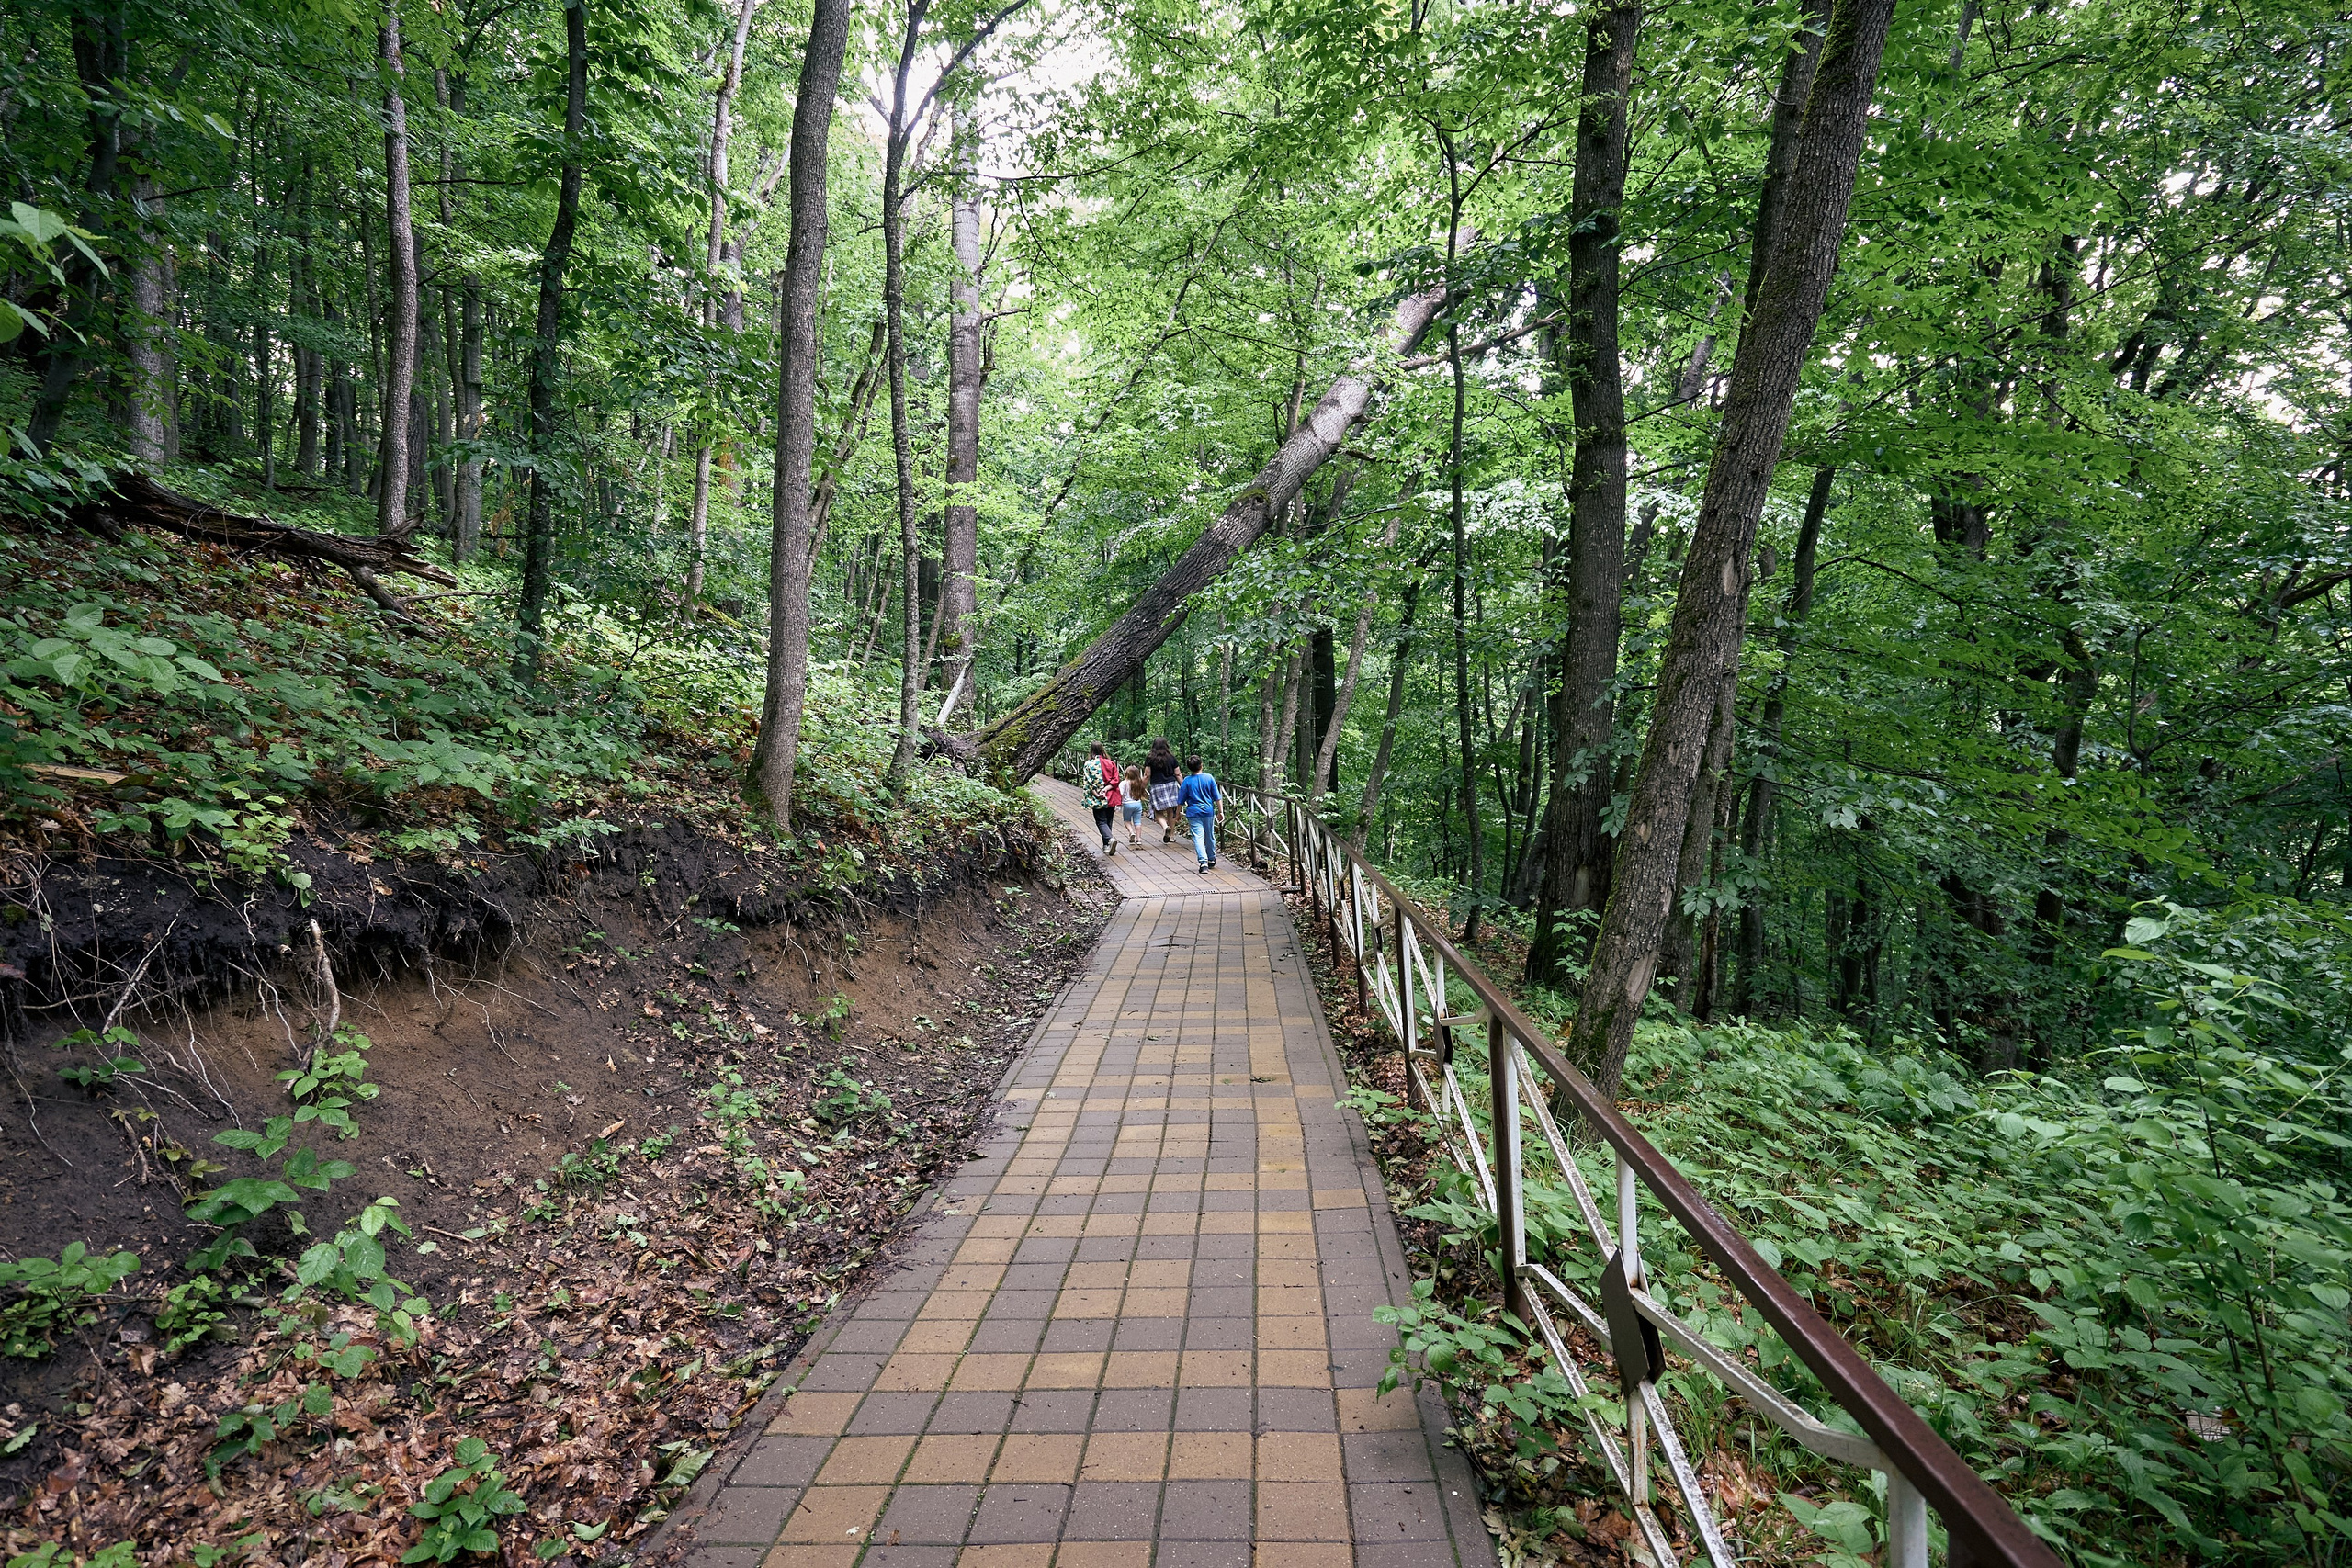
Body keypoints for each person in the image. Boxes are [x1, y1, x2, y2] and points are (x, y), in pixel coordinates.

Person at [1178, 752, 1224, 874]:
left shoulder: (1187, 781)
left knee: (1198, 837)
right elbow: (1217, 797)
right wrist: (1221, 811)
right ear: (1201, 765)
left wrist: (1177, 814)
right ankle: (1211, 858)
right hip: (1208, 811)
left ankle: (1203, 863)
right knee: (1209, 835)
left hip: (1193, 812)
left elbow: (1180, 800)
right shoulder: (1209, 778)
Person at [1080, 741, 1121, 854]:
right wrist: (1107, 788)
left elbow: (1088, 782)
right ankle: (1106, 845)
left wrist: (1097, 794)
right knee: (1108, 821)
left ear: (1091, 751)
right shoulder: (1111, 763)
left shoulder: (1088, 764)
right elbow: (1116, 779)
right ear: (1102, 750)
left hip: (1097, 798)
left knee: (1101, 821)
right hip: (1110, 796)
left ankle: (1109, 840)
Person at [1146, 737, 1182, 843]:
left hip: (1157, 786)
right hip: (1171, 785)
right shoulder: (1171, 758)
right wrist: (1184, 787)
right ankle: (1171, 836)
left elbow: (1147, 775)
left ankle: (1165, 827)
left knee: (1157, 811)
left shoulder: (1150, 758)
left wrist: (1141, 788)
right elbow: (1178, 774)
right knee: (1171, 811)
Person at [1120, 762, 1148, 847]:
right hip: (1137, 804)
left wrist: (1119, 803)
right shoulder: (1139, 783)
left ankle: (1131, 832)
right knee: (1137, 821)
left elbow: (1120, 794)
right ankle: (1139, 839)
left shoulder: (1123, 783)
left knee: (1127, 820)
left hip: (1127, 804)